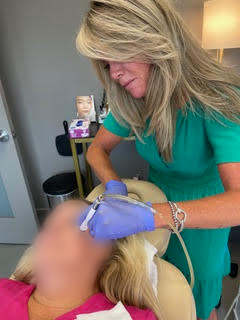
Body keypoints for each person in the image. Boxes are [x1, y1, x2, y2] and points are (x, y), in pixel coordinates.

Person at [75, 1, 240, 319]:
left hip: (205, 209)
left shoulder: (219, 97)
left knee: (198, 295)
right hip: (156, 200)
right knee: (161, 289)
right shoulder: (134, 98)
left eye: (117, 56)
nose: (115, 74)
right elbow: (96, 150)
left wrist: (149, 215)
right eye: (106, 63)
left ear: (152, 40)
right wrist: (114, 184)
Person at [0, 200, 159, 320]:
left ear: (104, 247)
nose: (52, 229)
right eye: (47, 225)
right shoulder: (3, 288)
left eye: (71, 222)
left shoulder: (131, 317)